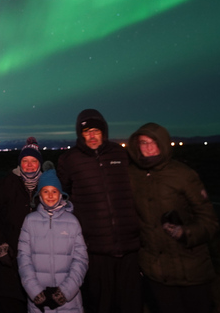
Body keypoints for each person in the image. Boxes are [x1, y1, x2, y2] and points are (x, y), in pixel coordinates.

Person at [127, 122, 219, 313]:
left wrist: (185, 233)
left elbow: (209, 222)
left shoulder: (183, 175)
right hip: (156, 270)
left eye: (153, 142)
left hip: (190, 267)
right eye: (143, 143)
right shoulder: (132, 175)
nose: (149, 147)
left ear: (164, 144)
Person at [56, 108, 141, 313]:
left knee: (131, 303)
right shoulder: (70, 160)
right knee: (100, 303)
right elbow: (62, 195)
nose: (92, 136)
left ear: (104, 131)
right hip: (94, 248)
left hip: (129, 244)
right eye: (86, 132)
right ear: (80, 134)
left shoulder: (120, 154)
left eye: (96, 130)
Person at [0, 137, 50, 312]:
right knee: (10, 301)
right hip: (10, 257)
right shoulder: (7, 183)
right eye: (25, 161)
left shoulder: (47, 186)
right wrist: (0, 244)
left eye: (33, 161)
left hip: (39, 258)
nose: (29, 165)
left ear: (39, 163)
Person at [17, 169, 88, 313]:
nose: (50, 196)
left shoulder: (72, 222)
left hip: (69, 303)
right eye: (45, 191)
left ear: (61, 194)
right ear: (40, 195)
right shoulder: (30, 221)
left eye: (54, 191)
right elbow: (23, 259)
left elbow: (81, 259)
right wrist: (35, 292)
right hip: (39, 303)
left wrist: (66, 291)